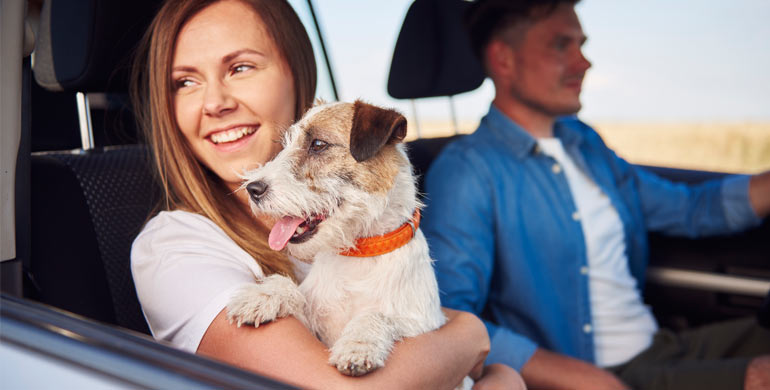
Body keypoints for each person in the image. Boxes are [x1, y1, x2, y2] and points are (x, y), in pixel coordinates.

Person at [128, 0, 528, 388]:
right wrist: (474, 339)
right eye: (185, 82)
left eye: (240, 67)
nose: (215, 103)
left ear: (296, 73)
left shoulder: (344, 229)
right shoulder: (173, 249)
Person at [421, 0, 770, 389]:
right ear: (504, 59)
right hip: (601, 376)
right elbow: (448, 315)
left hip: (661, 347)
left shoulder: (583, 143)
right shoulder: (468, 170)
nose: (583, 63)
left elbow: (691, 209)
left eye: (581, 45)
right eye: (561, 45)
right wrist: (588, 380)